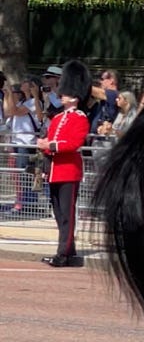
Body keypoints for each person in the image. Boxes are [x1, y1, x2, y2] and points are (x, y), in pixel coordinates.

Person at [36, 60, 91, 267]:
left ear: (75, 96)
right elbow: (50, 143)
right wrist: (44, 151)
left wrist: (50, 144)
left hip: (69, 171)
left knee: (67, 214)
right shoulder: (58, 118)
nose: (62, 95)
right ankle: (70, 252)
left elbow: (74, 143)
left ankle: (62, 253)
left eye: (66, 92)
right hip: (54, 171)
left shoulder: (80, 117)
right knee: (59, 214)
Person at [1, 78, 43, 216]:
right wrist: (8, 94)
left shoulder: (33, 102)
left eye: (26, 82)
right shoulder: (22, 102)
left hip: (27, 142)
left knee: (27, 173)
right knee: (21, 174)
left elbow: (15, 111)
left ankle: (28, 203)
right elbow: (8, 112)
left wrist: (10, 93)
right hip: (18, 142)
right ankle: (23, 202)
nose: (22, 84)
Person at [90, 69, 120, 136]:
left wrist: (79, 83)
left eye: (103, 79)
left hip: (105, 138)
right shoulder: (104, 98)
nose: (101, 82)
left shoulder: (114, 94)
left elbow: (94, 91)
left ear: (111, 81)